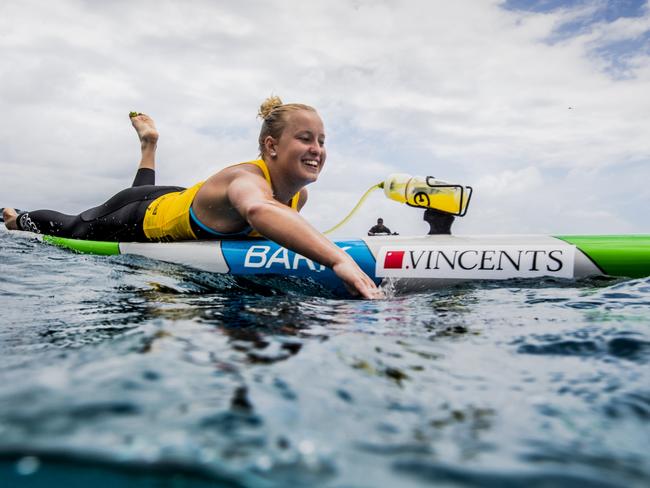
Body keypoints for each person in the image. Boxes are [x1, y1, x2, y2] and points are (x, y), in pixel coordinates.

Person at [3, 97, 383, 299]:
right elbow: (256, 209)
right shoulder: (246, 180)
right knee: (74, 226)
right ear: (271, 145)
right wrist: (338, 260)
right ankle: (15, 217)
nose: (316, 148)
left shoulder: (297, 199)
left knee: (129, 199)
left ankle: (148, 146)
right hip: (137, 215)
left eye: (321, 140)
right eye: (305, 138)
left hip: (176, 200)